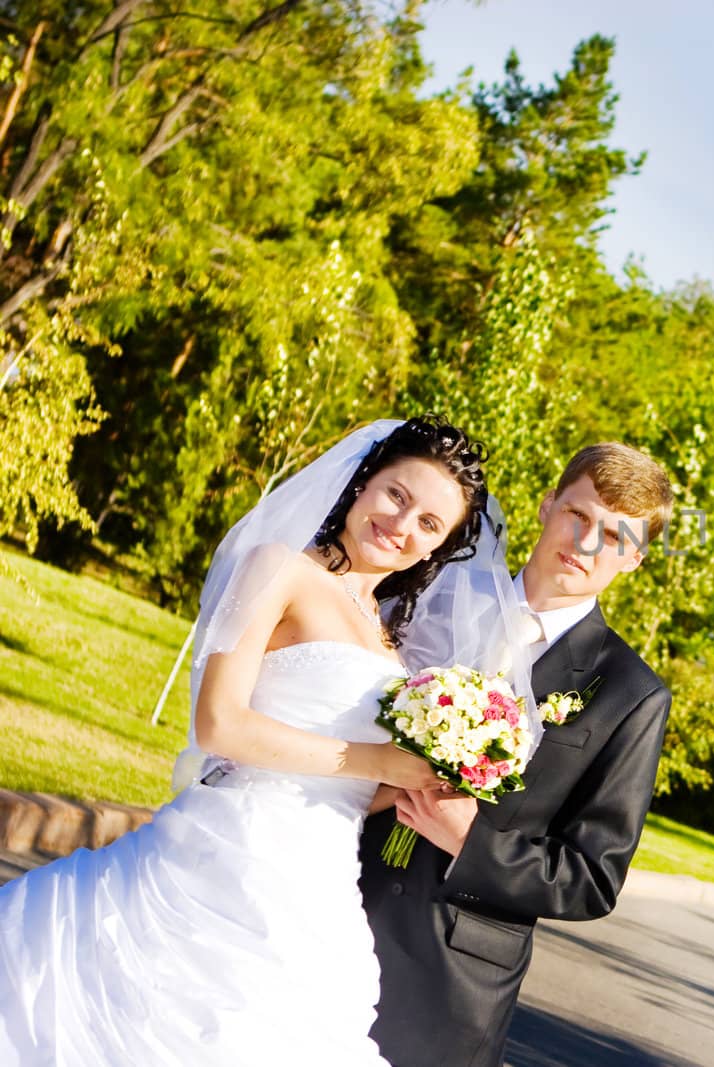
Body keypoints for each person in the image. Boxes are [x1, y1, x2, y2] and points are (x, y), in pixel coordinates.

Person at [0, 416, 516, 1066]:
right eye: (396, 494)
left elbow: (351, 783)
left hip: (321, 884)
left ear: (437, 547)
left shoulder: (390, 644)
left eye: (428, 524)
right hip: (229, 851)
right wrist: (376, 759)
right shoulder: (281, 569)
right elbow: (220, 722)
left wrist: (419, 776)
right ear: (364, 480)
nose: (403, 524)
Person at [360, 441, 676, 1067]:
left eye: (613, 536)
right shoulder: (424, 600)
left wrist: (469, 841)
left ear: (634, 559)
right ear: (547, 504)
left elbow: (592, 878)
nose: (586, 543)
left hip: (452, 976)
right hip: (332, 890)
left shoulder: (631, 694)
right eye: (578, 516)